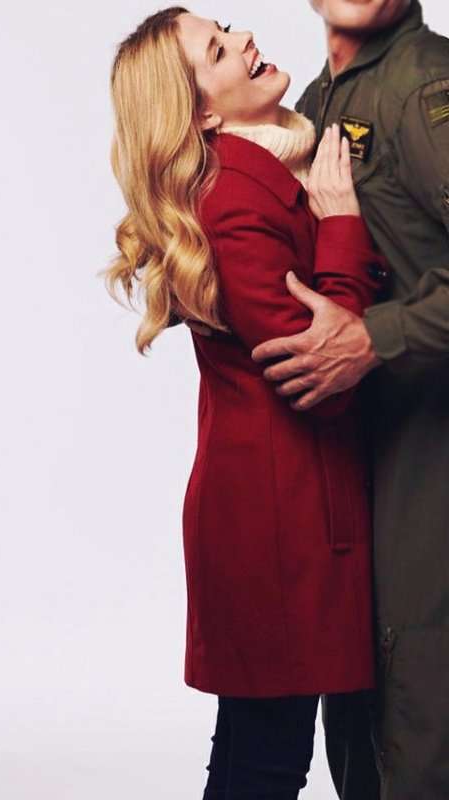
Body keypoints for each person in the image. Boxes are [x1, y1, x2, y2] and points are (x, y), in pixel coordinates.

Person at [103, 7, 387, 798]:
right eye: (219, 50)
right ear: (199, 111)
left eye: (227, 28)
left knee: (269, 749)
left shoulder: (273, 162)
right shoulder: (233, 199)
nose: (245, 40)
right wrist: (342, 224)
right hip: (277, 524)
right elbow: (317, 375)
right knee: (268, 759)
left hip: (286, 509)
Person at [247, 2, 449, 797]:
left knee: (418, 706)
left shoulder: (425, 86)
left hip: (429, 454)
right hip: (355, 452)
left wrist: (376, 338)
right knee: (359, 717)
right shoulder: (315, 100)